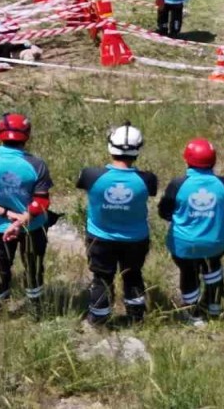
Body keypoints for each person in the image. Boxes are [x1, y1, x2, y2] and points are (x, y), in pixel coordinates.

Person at [0, 114, 53, 309]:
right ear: (27, 136)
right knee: (34, 266)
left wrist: (7, 215)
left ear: (0, 135)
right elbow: (42, 200)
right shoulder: (36, 164)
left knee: (1, 265)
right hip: (33, 226)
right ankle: (36, 306)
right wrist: (22, 219)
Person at [76, 122, 158, 326]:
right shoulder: (147, 179)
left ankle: (98, 317)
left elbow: (80, 184)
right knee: (133, 276)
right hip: (136, 239)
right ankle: (136, 317)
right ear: (138, 149)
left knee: (102, 278)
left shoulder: (91, 175)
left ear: (111, 146)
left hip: (100, 238)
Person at [157, 138, 224, 325]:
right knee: (213, 269)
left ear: (187, 160)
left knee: (188, 273)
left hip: (184, 244)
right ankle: (214, 307)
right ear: (214, 160)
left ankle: (193, 314)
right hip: (214, 242)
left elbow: (164, 212)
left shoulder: (178, 184)